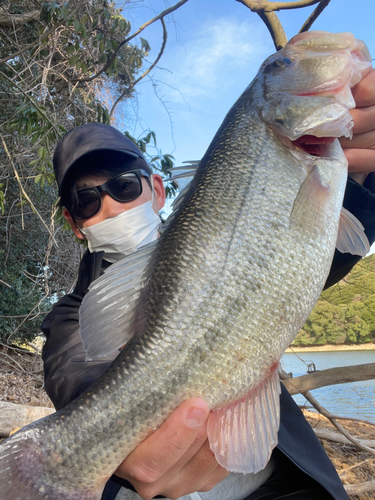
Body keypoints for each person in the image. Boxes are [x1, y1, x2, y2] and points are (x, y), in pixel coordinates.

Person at [42, 68, 375, 500]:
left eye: (124, 186)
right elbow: (77, 375)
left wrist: (357, 184)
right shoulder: (70, 315)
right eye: (86, 199)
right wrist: (117, 436)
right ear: (73, 222)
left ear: (158, 191)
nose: (108, 206)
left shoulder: (230, 234)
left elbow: (315, 253)